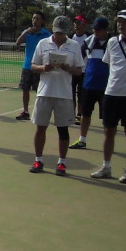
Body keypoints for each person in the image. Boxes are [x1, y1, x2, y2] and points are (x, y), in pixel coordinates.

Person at [26, 16, 83, 175]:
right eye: (57, 33)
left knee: (63, 130)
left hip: (64, 94)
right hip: (44, 91)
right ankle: (38, 160)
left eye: (62, 33)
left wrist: (67, 68)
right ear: (53, 30)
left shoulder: (74, 46)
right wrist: (44, 68)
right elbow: (33, 65)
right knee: (41, 127)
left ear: (67, 32)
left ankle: (62, 163)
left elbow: (79, 70)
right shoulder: (43, 44)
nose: (59, 36)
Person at [91, 9, 126, 183]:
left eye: (125, 21)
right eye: (119, 21)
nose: (121, 24)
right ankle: (106, 167)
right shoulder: (112, 42)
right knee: (108, 131)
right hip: (111, 93)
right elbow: (109, 64)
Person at [70, 16, 110, 150]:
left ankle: (107, 143)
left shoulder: (113, 43)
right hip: (88, 85)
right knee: (85, 115)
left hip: (107, 88)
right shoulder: (88, 42)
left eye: (98, 29)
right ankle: (82, 140)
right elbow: (79, 58)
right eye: (94, 28)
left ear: (106, 30)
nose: (95, 31)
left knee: (107, 119)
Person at [14, 11, 50, 120]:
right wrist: (26, 32)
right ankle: (25, 112)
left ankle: (41, 112)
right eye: (33, 18)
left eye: (37, 18)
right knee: (25, 90)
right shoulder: (27, 33)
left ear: (42, 21)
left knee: (40, 92)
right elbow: (18, 43)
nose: (35, 20)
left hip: (39, 67)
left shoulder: (47, 34)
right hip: (27, 66)